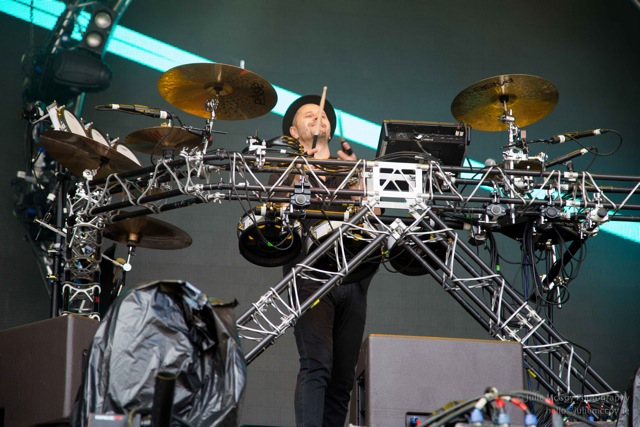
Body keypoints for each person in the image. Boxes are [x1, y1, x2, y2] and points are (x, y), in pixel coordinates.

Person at [272, 94, 377, 427]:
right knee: (317, 364)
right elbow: (276, 211)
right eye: (309, 115)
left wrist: (354, 175)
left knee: (343, 377)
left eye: (323, 116)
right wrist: (303, 168)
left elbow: (374, 215)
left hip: (353, 278)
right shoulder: (285, 169)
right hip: (310, 276)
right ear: (293, 131)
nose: (318, 118)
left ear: (330, 130)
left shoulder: (350, 168)